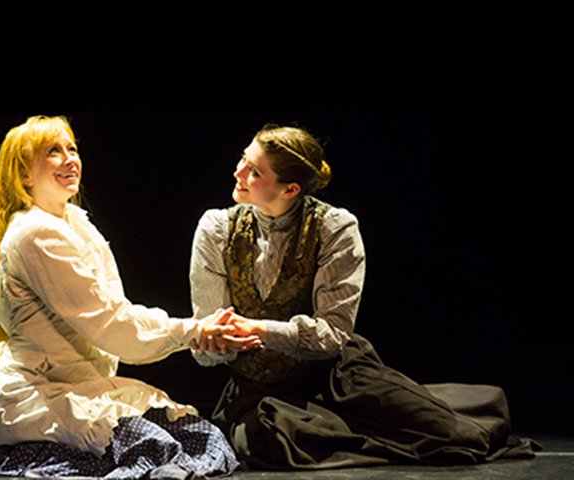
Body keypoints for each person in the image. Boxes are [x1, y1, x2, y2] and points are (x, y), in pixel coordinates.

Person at [189, 124, 537, 470]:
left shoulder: (333, 227)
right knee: (271, 442)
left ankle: (450, 409)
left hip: (334, 379)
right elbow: (205, 344)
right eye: (243, 159)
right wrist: (213, 342)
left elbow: (332, 335)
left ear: (290, 189)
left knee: (456, 437)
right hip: (258, 390)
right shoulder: (217, 229)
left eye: (254, 171)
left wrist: (261, 330)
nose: (238, 172)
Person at [0, 115, 255, 479]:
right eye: (53, 151)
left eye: (72, 148)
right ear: (24, 175)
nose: (70, 159)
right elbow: (109, 322)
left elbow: (114, 311)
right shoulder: (36, 233)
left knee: (199, 436)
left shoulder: (73, 222)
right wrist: (193, 331)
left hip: (83, 386)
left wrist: (193, 331)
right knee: (155, 448)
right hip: (41, 393)